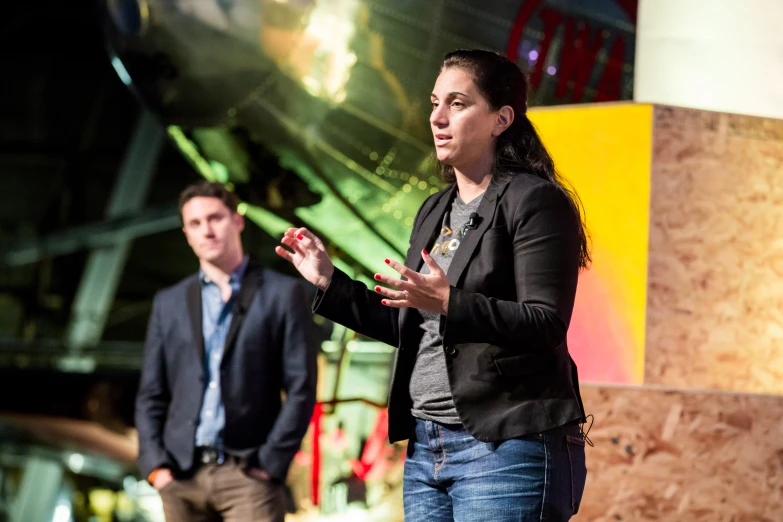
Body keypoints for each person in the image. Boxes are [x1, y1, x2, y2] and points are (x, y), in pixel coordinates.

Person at [276, 49, 590, 521]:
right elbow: (410, 323)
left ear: (501, 118)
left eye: (458, 104)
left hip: (507, 445)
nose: (437, 117)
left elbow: (545, 323)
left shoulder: (535, 200)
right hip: (428, 448)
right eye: (434, 102)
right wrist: (329, 281)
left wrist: (450, 302)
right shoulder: (434, 210)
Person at [136, 181, 318, 522]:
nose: (206, 230)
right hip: (180, 477)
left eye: (215, 218)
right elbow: (151, 393)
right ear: (186, 234)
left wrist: (270, 464)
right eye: (195, 223)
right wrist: (155, 467)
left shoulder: (282, 293)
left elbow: (301, 388)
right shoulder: (169, 302)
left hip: (249, 475)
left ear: (237, 220)